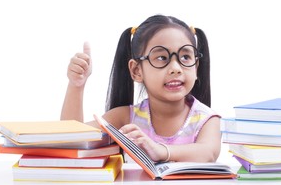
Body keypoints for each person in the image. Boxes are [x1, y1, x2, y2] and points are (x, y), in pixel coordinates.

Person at [61, 15, 221, 163]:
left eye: (185, 57)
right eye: (161, 58)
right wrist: (76, 85)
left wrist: (160, 151)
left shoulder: (207, 120)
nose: (176, 68)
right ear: (137, 70)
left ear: (196, 67)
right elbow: (71, 139)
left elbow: (208, 152)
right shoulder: (124, 118)